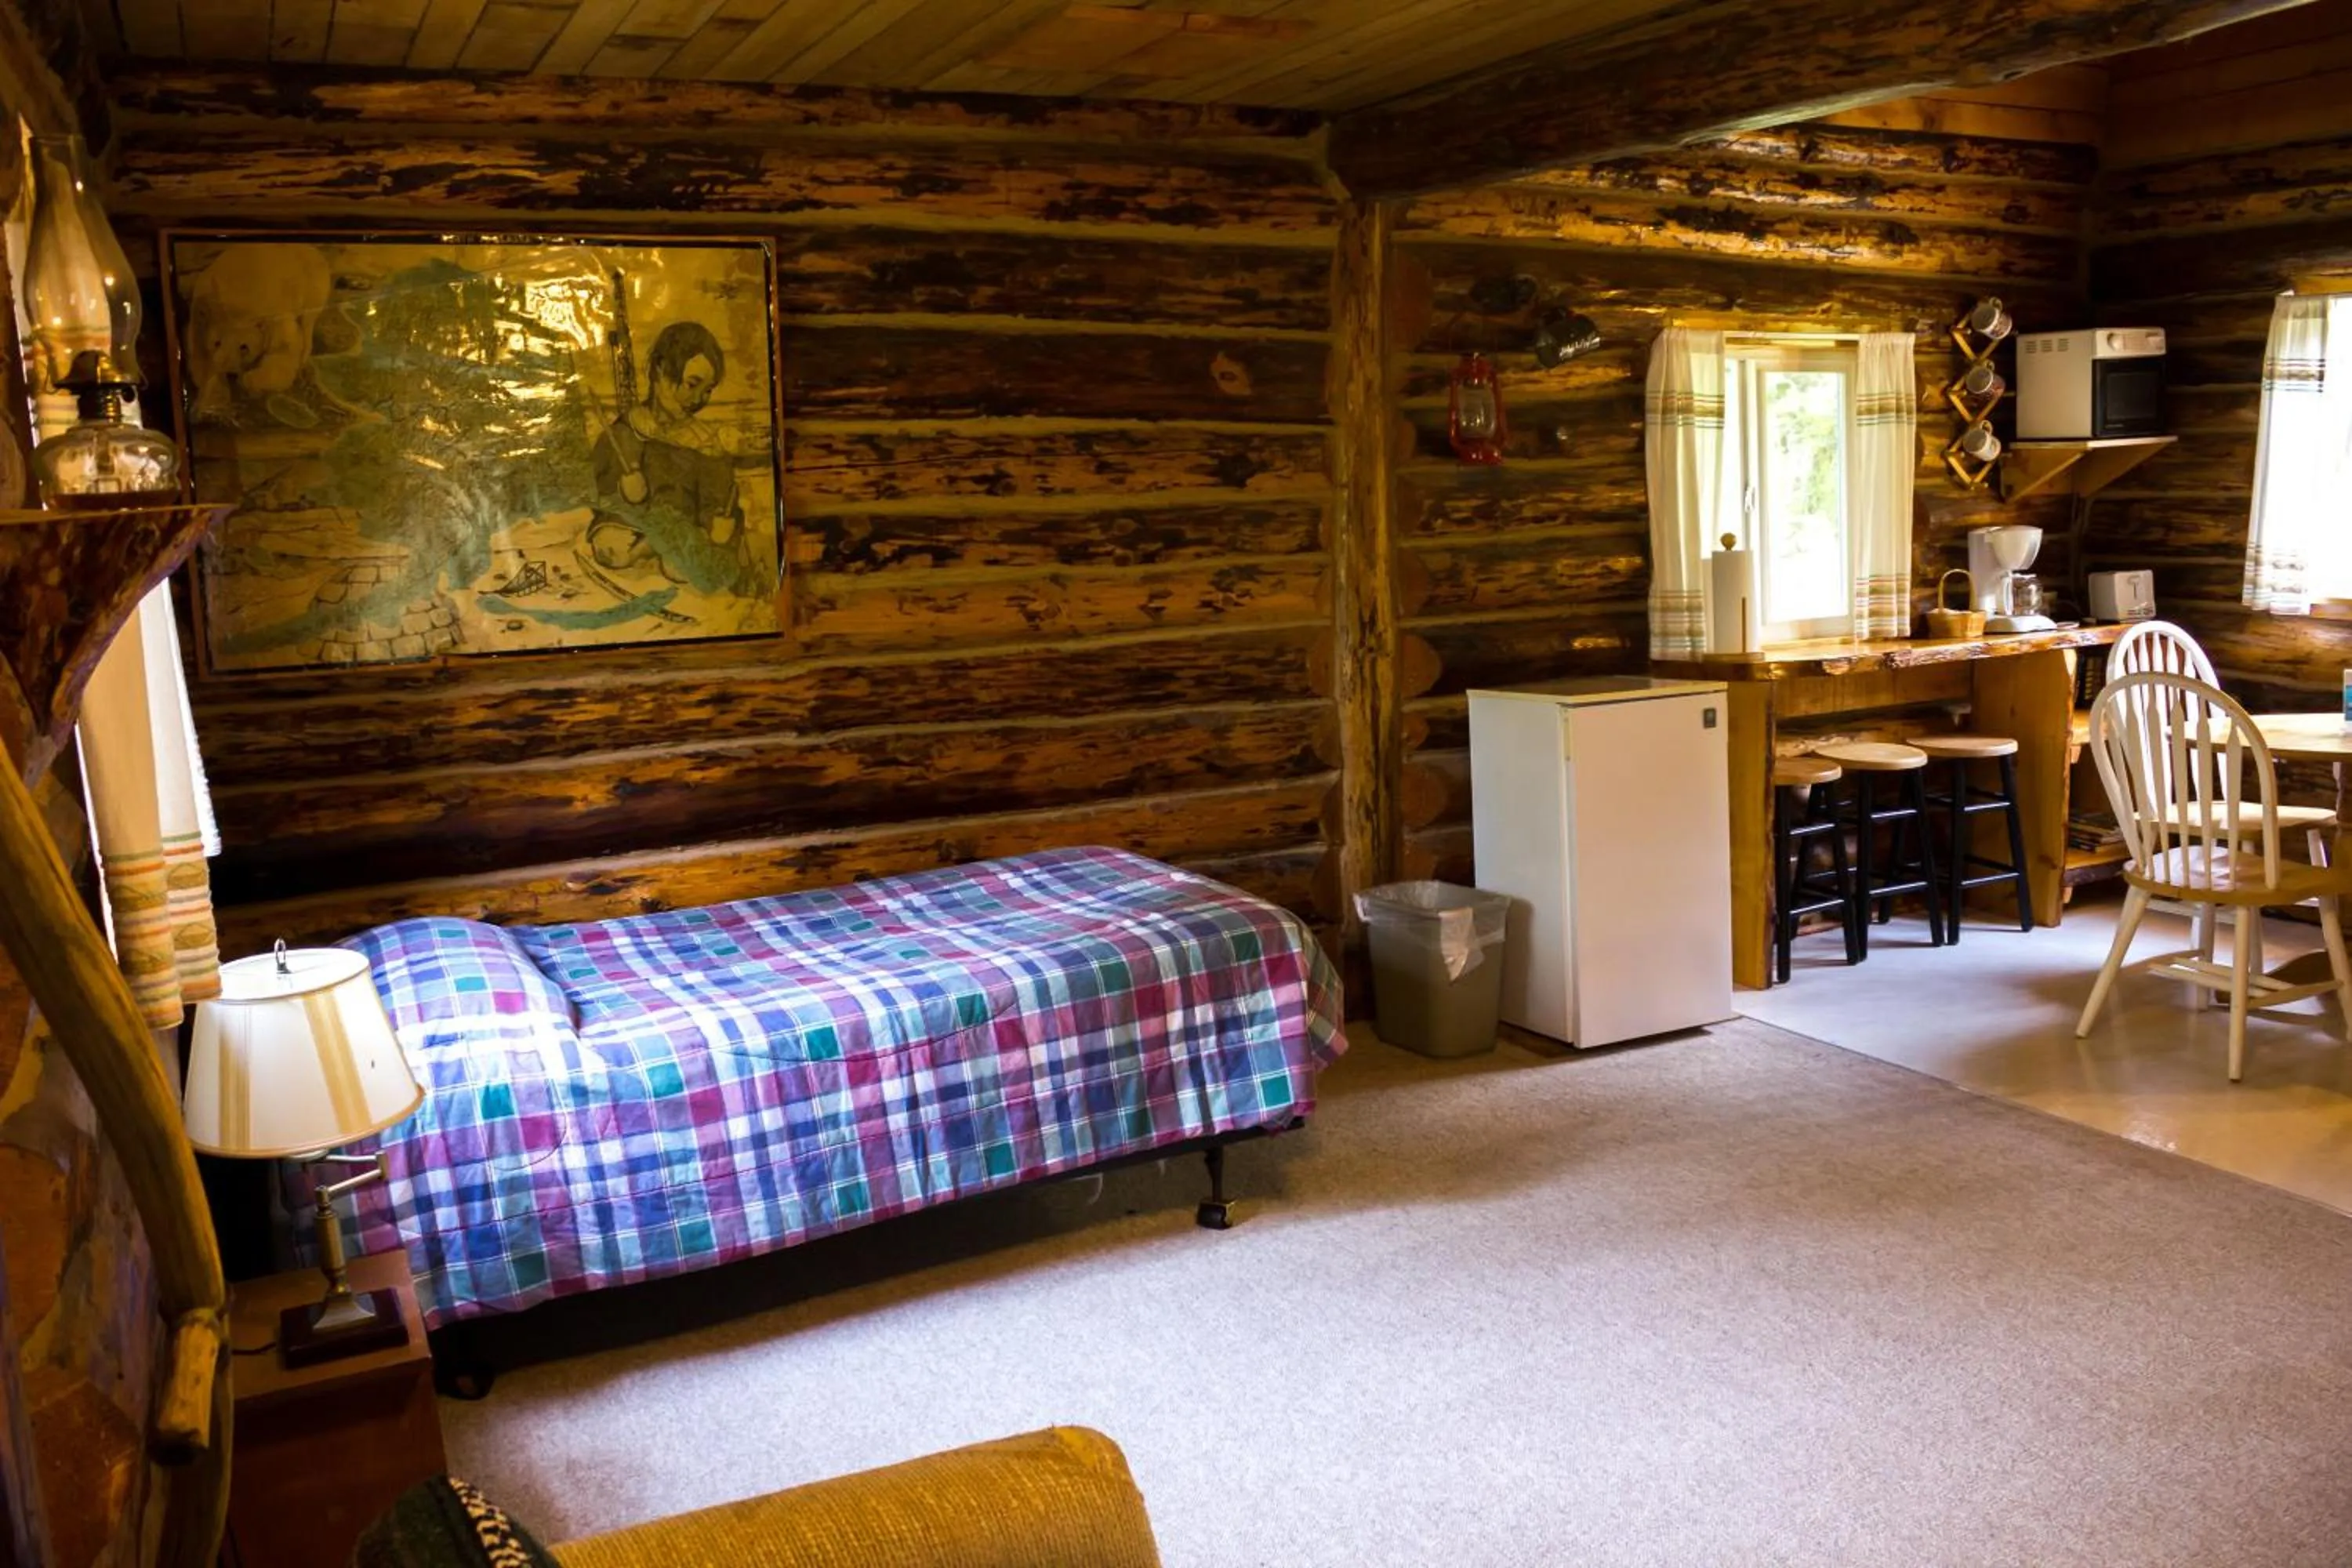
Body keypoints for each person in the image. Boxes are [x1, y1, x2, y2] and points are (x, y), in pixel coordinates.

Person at [586, 320, 759, 597]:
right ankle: (651, 548)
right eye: (692, 384)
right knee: (609, 547)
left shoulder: (704, 444)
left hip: (685, 532)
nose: (697, 399)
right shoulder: (626, 430)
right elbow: (598, 487)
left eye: (707, 390)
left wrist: (719, 526)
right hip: (635, 527)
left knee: (680, 567)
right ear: (661, 371)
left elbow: (718, 502)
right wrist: (624, 491)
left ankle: (656, 550)